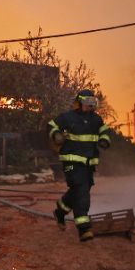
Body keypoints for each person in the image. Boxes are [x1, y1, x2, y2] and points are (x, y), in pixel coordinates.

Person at [47, 89, 111, 242]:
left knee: (78, 190)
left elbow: (104, 131)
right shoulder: (67, 117)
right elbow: (51, 125)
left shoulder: (96, 120)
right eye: (88, 103)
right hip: (72, 162)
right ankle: (84, 228)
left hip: (88, 164)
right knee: (81, 191)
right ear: (80, 102)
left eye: (93, 103)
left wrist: (104, 140)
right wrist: (56, 134)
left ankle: (60, 211)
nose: (91, 106)